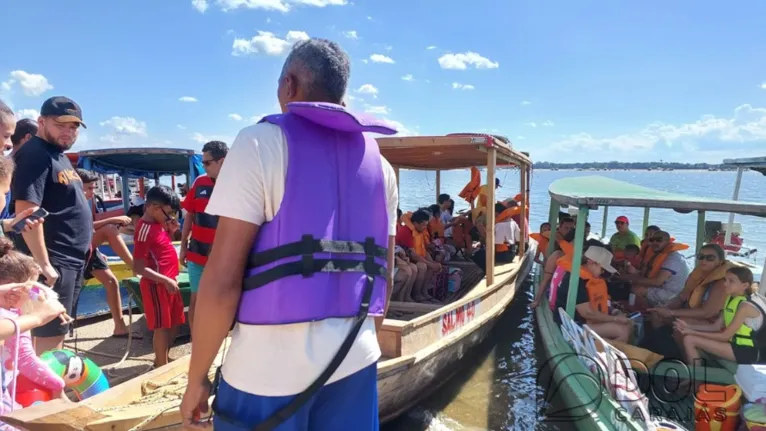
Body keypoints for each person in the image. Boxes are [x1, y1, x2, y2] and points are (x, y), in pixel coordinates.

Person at [180, 38, 398, 430]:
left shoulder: (259, 143)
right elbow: (384, 274)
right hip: (356, 358)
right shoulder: (381, 167)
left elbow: (221, 282)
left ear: (289, 86)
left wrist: (197, 377)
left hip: (268, 372)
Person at [11, 96, 92, 355]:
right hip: (55, 260)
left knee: (59, 329)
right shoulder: (35, 154)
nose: (69, 132)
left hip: (70, 258)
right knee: (49, 333)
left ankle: (52, 389)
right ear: (41, 122)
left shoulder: (57, 154)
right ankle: (47, 394)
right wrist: (44, 264)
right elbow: (26, 214)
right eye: (61, 125)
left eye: (74, 127)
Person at [0, 237, 67, 403]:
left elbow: (36, 292)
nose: (34, 294)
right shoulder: (13, 320)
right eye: (32, 287)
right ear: (13, 288)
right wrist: (58, 385)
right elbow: (26, 360)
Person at [76, 169, 133, 338]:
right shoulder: (71, 202)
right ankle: (134, 266)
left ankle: (120, 326)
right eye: (89, 188)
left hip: (89, 250)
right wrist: (113, 219)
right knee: (109, 229)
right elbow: (86, 229)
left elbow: (88, 229)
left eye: (94, 188)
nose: (92, 193)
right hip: (75, 250)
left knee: (111, 282)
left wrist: (97, 248)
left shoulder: (84, 204)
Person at [179, 140, 228, 332]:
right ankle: (196, 343)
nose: (204, 167)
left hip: (224, 258)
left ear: (222, 162)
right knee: (196, 301)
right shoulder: (199, 183)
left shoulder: (238, 185)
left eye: (207, 163)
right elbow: (190, 214)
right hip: (197, 254)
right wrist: (183, 245)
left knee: (222, 301)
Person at [132, 185, 182, 368]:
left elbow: (160, 250)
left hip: (169, 281)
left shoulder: (159, 224)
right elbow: (137, 268)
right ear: (154, 208)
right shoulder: (144, 229)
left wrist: (170, 231)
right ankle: (161, 365)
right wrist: (164, 280)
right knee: (161, 327)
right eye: (168, 213)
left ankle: (164, 358)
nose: (170, 217)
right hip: (157, 285)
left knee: (174, 322)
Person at [675, 266, 766, 365]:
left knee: (690, 339)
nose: (725, 284)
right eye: (725, 280)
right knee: (688, 336)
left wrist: (692, 332)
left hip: (748, 351)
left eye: (731, 281)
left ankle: (695, 378)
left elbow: (724, 336)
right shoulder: (731, 299)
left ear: (744, 285)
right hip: (735, 345)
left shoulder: (745, 307)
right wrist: (687, 326)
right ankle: (699, 372)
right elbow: (715, 326)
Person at [555, 246, 633, 342]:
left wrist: (614, 312)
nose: (603, 273)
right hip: (572, 326)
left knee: (628, 326)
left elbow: (600, 304)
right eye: (602, 269)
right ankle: (603, 355)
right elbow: (588, 313)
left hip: (585, 323)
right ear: (591, 263)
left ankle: (606, 350)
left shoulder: (588, 278)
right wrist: (616, 319)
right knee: (622, 331)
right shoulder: (576, 280)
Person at [625, 230, 689, 308]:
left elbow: (657, 282)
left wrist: (632, 280)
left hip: (673, 294)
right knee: (637, 284)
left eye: (659, 240)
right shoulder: (659, 254)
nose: (654, 242)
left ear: (668, 241)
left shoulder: (673, 258)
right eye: (652, 240)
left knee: (637, 289)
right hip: (663, 287)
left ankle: (644, 313)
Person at [397, 209, 441, 303]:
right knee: (422, 266)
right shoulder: (406, 231)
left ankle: (423, 292)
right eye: (423, 225)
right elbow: (412, 254)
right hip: (403, 258)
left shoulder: (419, 231)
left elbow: (423, 250)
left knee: (430, 266)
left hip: (412, 258)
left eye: (426, 224)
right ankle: (415, 295)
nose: (425, 227)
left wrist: (433, 263)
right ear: (415, 223)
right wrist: (430, 264)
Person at [471, 202, 519, 274]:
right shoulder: (510, 220)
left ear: (496, 213)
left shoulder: (501, 224)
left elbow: (491, 242)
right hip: (511, 252)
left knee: (476, 254)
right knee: (481, 250)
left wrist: (480, 228)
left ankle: (488, 272)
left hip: (504, 255)